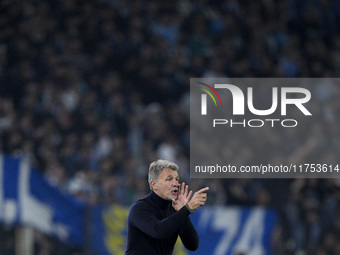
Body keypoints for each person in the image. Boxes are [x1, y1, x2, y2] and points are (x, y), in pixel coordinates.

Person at [125, 159, 209, 255]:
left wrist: (183, 211)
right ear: (154, 184)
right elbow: (158, 231)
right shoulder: (139, 208)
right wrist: (186, 209)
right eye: (169, 179)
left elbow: (192, 245)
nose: (175, 184)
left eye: (176, 179)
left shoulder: (175, 209)